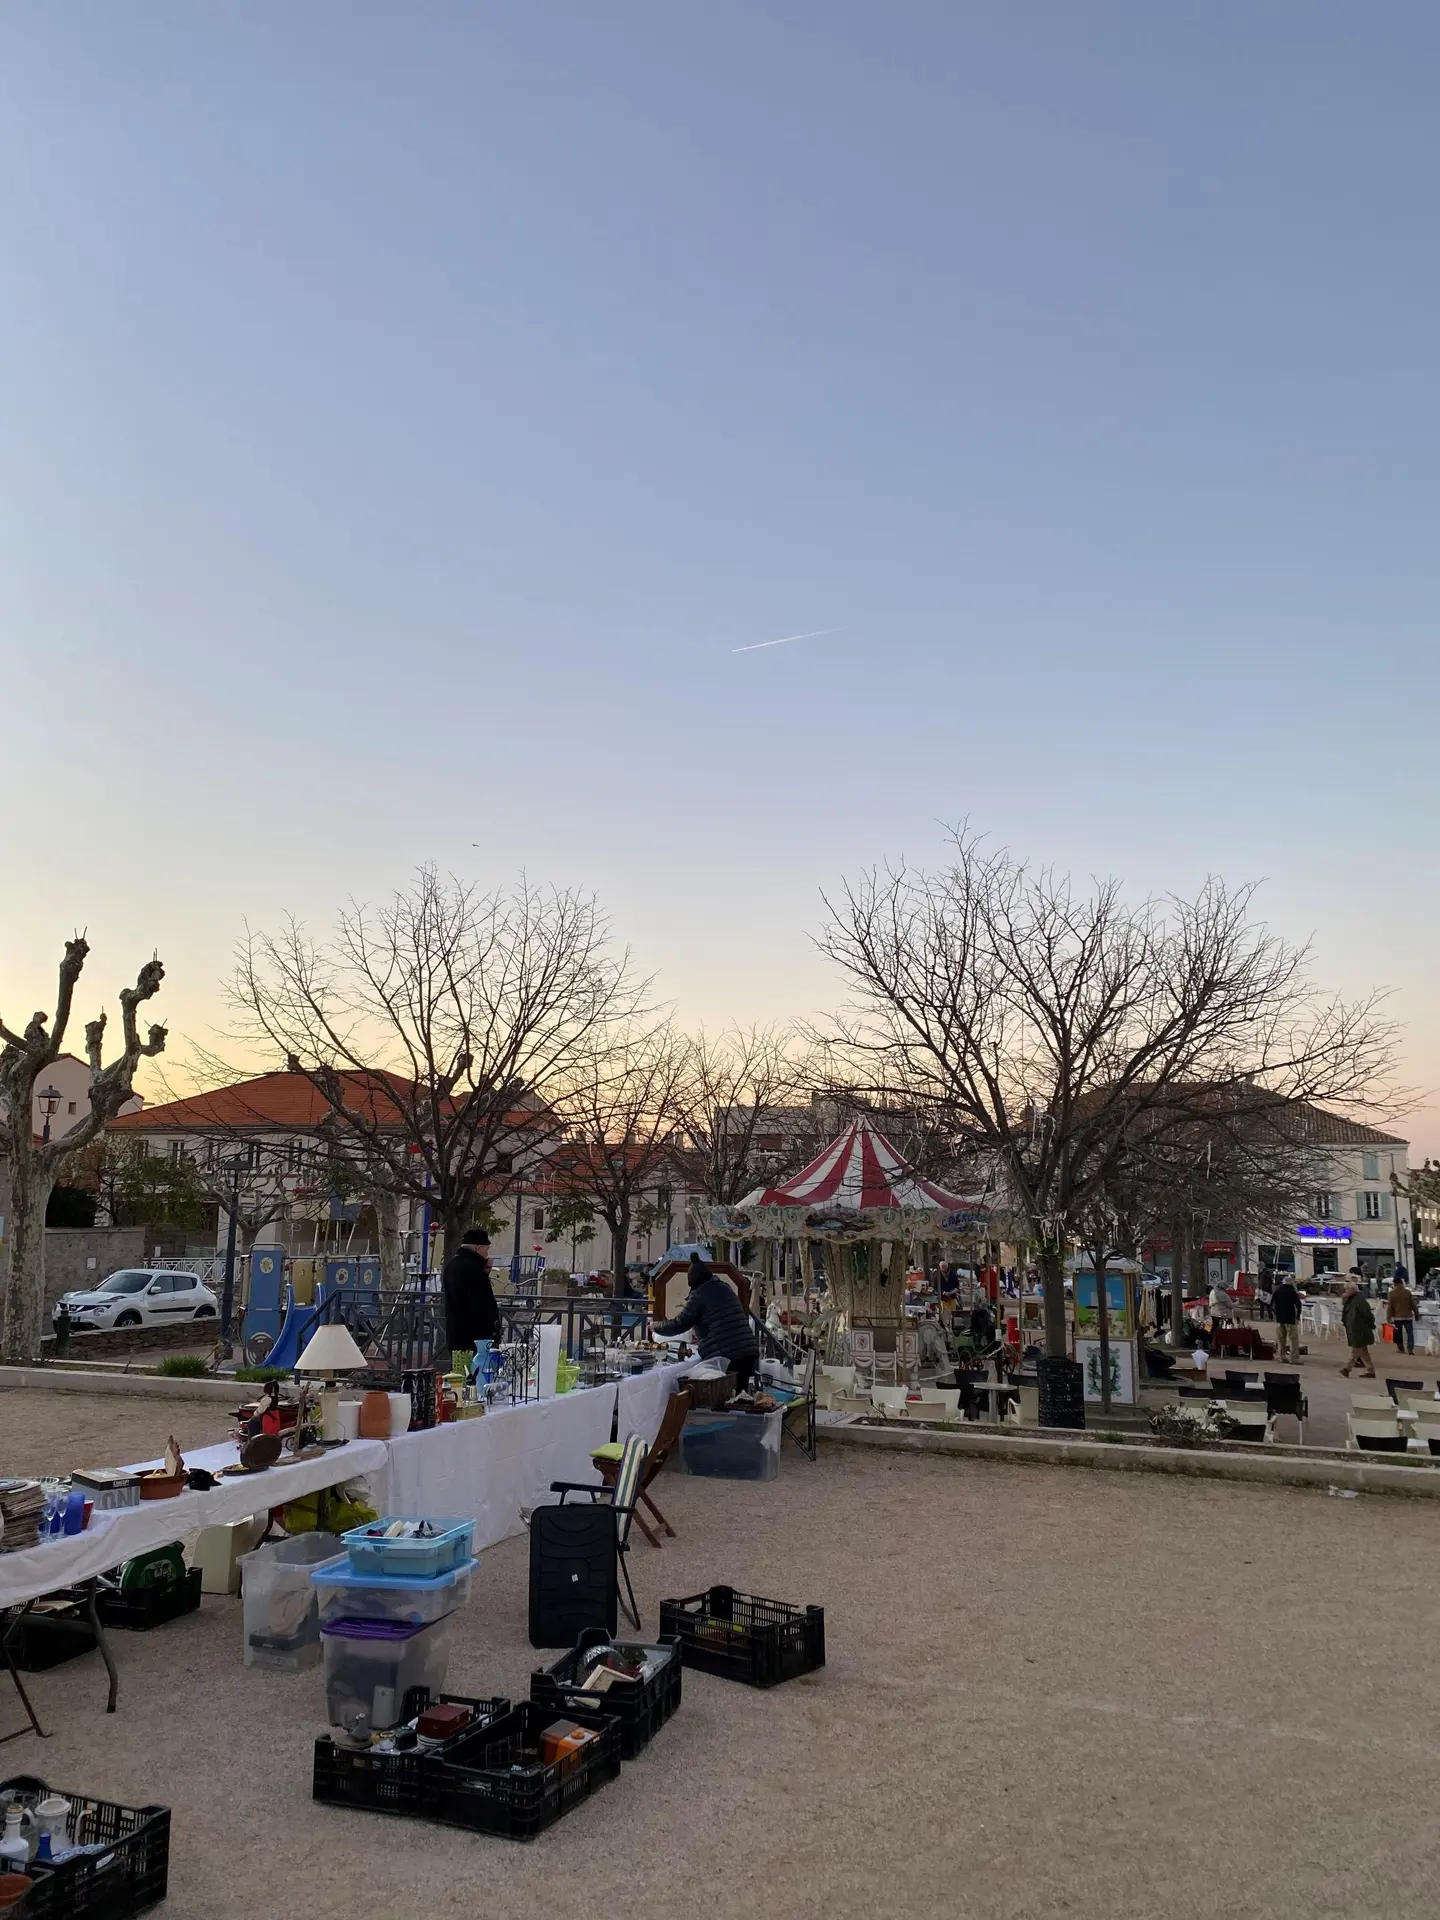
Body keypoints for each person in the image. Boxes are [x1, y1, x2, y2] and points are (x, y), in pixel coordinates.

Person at [652, 1252, 760, 1392]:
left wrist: (656, 1326)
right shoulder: (725, 1287)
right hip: (747, 1350)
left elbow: (680, 1323)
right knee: (741, 1397)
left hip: (727, 1357)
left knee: (726, 1399)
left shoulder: (699, 1295)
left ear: (693, 1283)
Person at [441, 1227, 500, 1360]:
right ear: (478, 1248)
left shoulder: (452, 1265)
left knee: (459, 1375)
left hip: (456, 1334)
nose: (487, 1253)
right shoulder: (472, 1270)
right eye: (486, 1249)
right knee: (476, 1377)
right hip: (475, 1339)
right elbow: (480, 1303)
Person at [1340, 1280, 1377, 1378]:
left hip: (1360, 1329)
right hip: (1355, 1329)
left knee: (1356, 1349)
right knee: (1362, 1350)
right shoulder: (1350, 1300)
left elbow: (1367, 1314)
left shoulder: (1359, 1301)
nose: (1345, 1291)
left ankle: (1347, 1368)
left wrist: (1371, 1324)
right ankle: (1370, 1370)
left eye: (1347, 1289)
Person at [1271, 1272, 1303, 1365]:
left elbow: (1272, 1304)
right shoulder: (1292, 1292)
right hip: (1290, 1318)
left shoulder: (1277, 1291)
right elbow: (1298, 1305)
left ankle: (1282, 1356)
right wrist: (1297, 1317)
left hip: (1280, 1318)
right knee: (1293, 1339)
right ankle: (1294, 1358)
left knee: (1281, 1338)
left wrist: (1274, 1315)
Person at [1387, 1267, 1418, 1356]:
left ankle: (1401, 1348)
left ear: (1394, 1283)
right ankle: (1410, 1349)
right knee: (1410, 1333)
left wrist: (1389, 1317)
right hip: (1408, 1316)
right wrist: (1416, 1314)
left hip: (1397, 1317)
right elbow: (1413, 1304)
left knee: (1398, 1334)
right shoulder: (1407, 1292)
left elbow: (1390, 1306)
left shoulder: (1391, 1293)